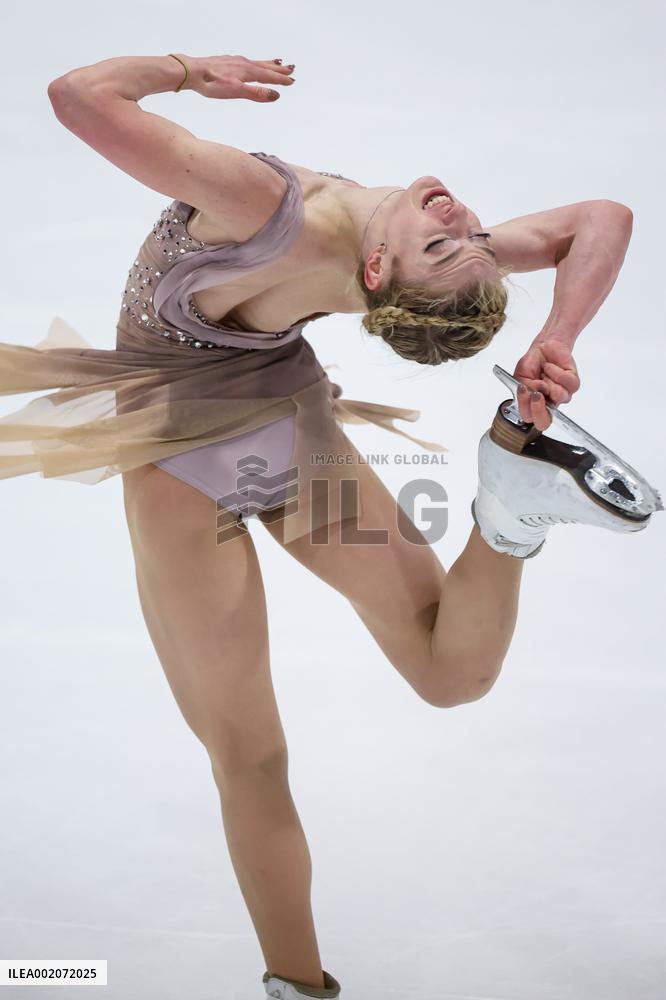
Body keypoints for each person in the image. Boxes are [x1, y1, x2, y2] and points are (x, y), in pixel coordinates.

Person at [0, 53, 662, 1000]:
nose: (460, 220)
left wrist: (186, 72)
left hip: (181, 460)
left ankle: (295, 990)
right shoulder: (404, 247)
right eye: (464, 236)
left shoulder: (258, 199)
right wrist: (556, 337)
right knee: (444, 675)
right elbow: (602, 219)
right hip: (284, 426)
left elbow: (78, 97)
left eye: (449, 246)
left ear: (377, 273)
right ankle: (509, 510)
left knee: (248, 756)